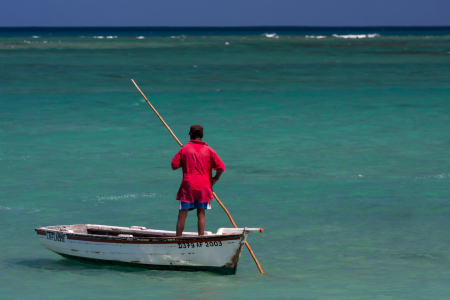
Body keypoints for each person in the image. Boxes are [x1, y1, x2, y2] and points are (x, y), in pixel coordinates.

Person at [171, 125, 225, 237]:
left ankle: (178, 239)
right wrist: (215, 179)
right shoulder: (209, 150)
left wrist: (184, 158)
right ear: (202, 135)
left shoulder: (184, 149)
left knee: (182, 214)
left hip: (188, 186)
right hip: (204, 186)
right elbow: (221, 168)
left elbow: (174, 165)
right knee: (201, 213)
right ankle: (200, 238)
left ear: (190, 134)